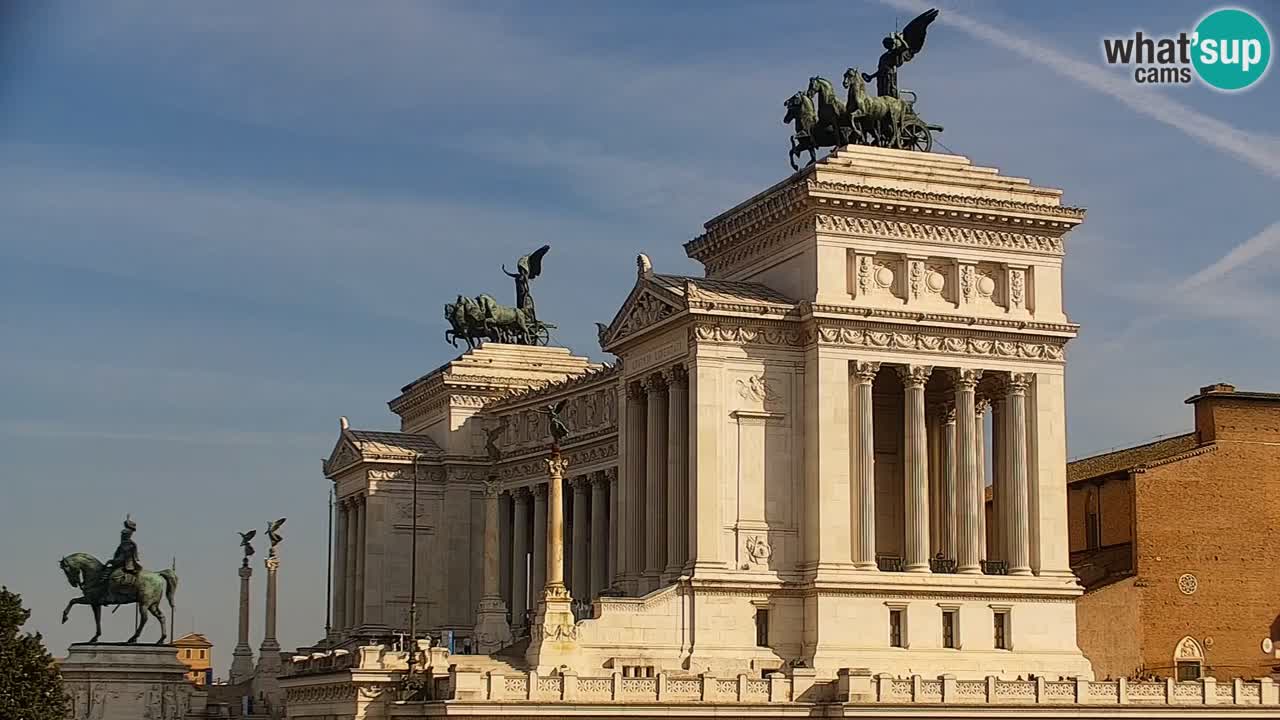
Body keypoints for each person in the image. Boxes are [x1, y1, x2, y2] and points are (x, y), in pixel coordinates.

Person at [102, 516, 142, 591]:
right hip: (123, 562)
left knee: (108, 571)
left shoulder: (127, 544)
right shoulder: (126, 544)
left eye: (123, 534)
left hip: (125, 563)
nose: (122, 535)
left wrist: (111, 561)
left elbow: (122, 558)